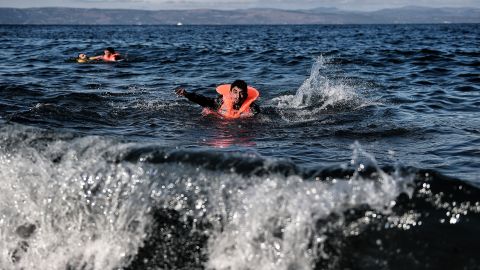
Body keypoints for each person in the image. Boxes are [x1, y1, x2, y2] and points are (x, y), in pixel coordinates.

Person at [175, 80, 260, 119]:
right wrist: (187, 94)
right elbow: (202, 100)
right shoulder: (220, 102)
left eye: (241, 93)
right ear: (230, 92)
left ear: (245, 95)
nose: (238, 96)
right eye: (235, 92)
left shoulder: (253, 108)